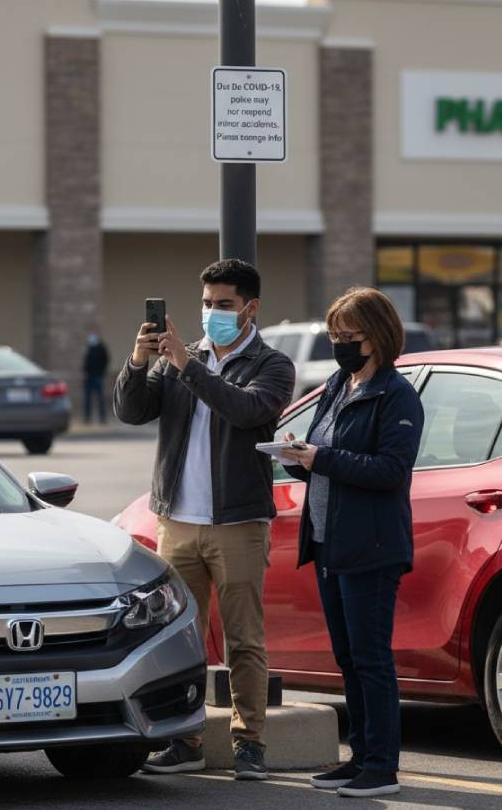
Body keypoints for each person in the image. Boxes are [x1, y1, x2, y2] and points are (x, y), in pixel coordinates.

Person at [114, 259, 295, 781]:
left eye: (224, 305)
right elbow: (131, 411)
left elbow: (247, 411)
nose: (212, 313)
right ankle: (185, 739)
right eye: (207, 304)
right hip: (177, 521)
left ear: (250, 308)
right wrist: (138, 360)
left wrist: (188, 368)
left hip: (237, 523)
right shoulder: (179, 357)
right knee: (179, 639)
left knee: (243, 639)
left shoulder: (271, 364)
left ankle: (250, 743)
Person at [279, 287, 423, 799]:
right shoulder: (340, 383)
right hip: (328, 540)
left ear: (378, 337)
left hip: (371, 546)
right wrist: (298, 455)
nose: (340, 345)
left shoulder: (397, 394)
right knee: (346, 655)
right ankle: (359, 756)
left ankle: (382, 767)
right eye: (334, 335)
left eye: (350, 337)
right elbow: (324, 449)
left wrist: (322, 459)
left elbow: (390, 470)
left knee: (370, 657)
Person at [82, 332, 110, 424]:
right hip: (89, 376)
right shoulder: (88, 348)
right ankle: (87, 418)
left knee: (100, 398)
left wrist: (102, 372)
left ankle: (102, 418)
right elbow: (85, 362)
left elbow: (106, 360)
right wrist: (85, 372)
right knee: (87, 399)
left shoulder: (101, 348)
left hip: (98, 375)